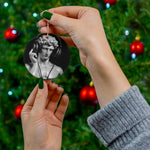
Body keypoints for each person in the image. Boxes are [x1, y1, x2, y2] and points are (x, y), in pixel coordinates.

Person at [21, 6, 150, 150]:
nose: (47, 51)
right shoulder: (37, 63)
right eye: (45, 48)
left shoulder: (55, 67)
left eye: (50, 49)